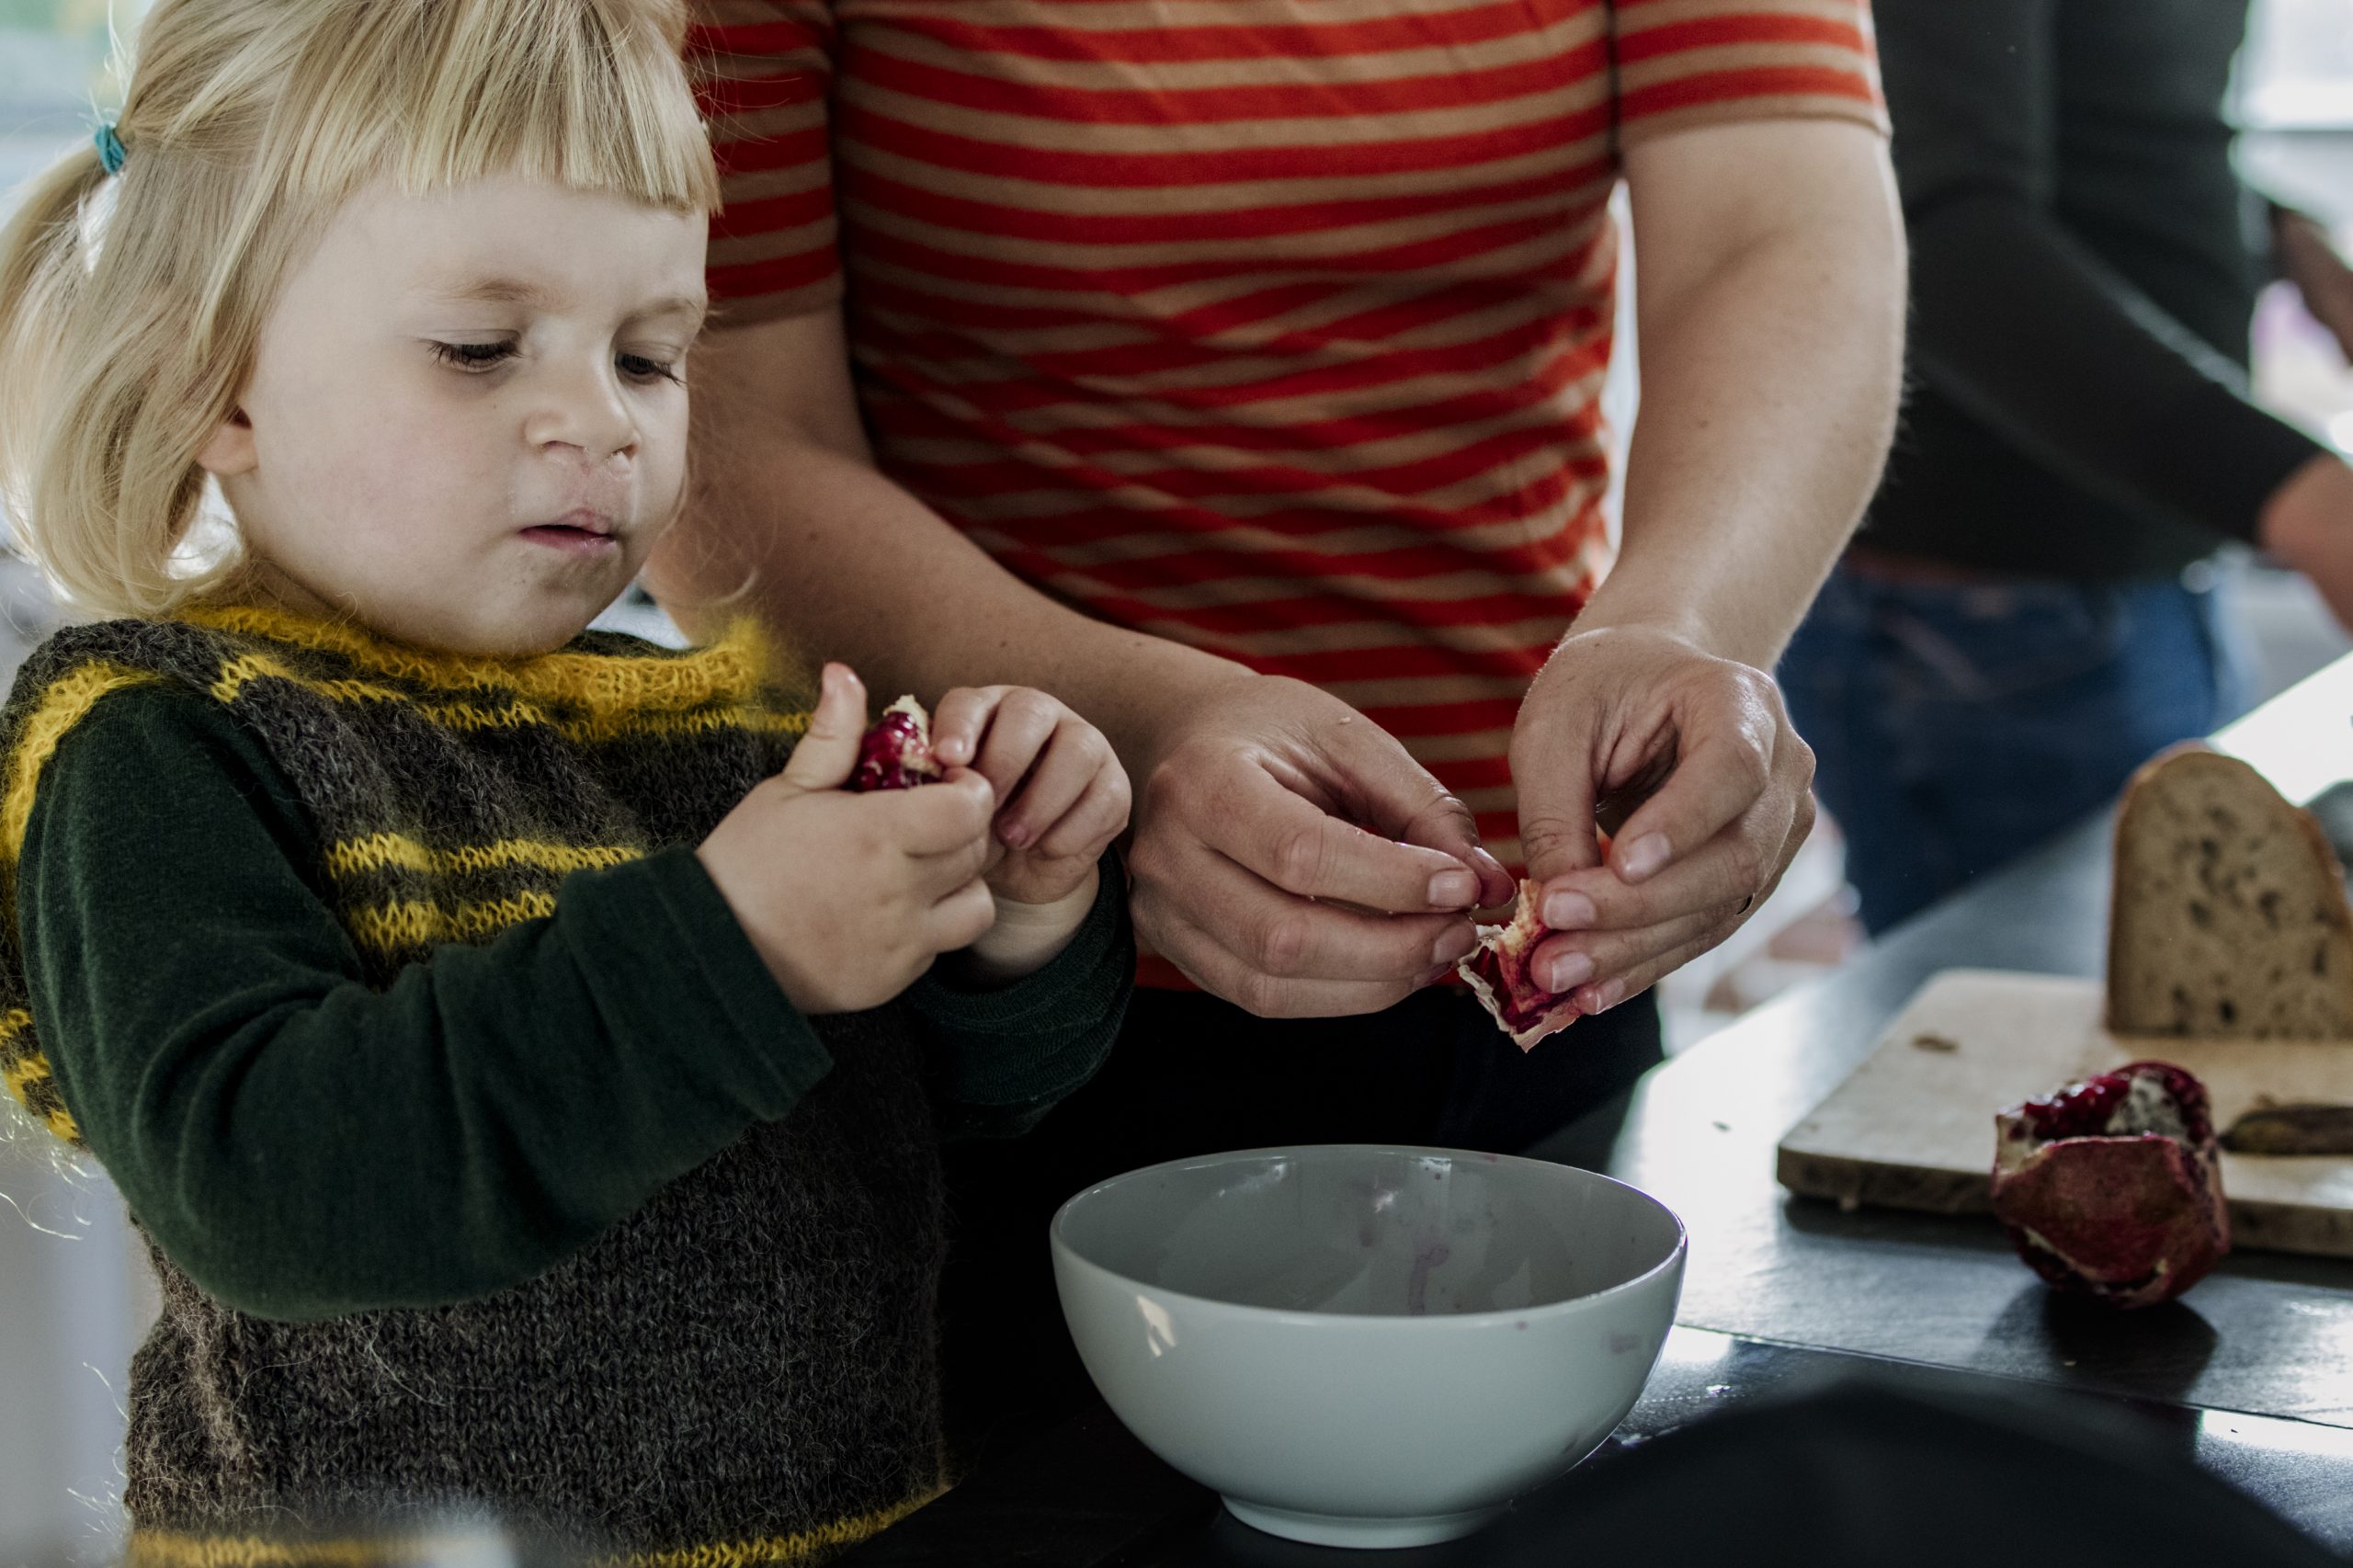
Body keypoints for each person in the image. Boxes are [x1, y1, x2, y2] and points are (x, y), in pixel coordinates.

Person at [673, 0, 1908, 1453]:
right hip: (998, 991)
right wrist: (1138, 723)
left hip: (1537, 963)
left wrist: (1687, 633)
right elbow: (720, 412)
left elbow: (1784, 236)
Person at [0, 0, 1134, 1559]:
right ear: (218, 376)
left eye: (650, 356)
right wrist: (733, 948)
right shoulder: (156, 741)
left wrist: (1007, 930)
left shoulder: (723, 721)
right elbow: (268, 1191)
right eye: (480, 349)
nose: (601, 421)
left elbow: (917, 1121)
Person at [1780, 0, 2353, 935]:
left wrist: (2285, 238)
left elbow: (2116, 113)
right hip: (1989, 607)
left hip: (2141, 559)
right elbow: (1940, 222)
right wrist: (2306, 498)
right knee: (2036, 1043)